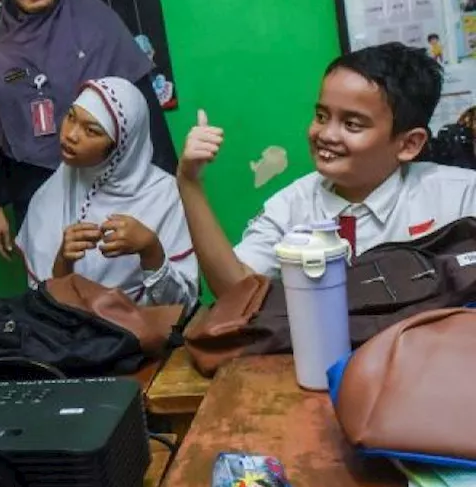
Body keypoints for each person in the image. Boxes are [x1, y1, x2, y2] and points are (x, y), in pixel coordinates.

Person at [179, 42, 476, 298]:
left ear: (409, 144)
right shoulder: (291, 208)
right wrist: (190, 183)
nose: (326, 134)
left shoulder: (461, 197)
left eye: (352, 124)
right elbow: (236, 292)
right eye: (321, 116)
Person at [0, 0, 177, 262]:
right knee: (54, 288)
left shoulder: (101, 27)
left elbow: (144, 113)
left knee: (114, 279)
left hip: (111, 183)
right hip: (35, 189)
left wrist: (168, 184)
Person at [16, 77, 197, 308]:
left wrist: (151, 250)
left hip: (140, 338)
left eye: (91, 131)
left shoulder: (163, 195)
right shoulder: (55, 190)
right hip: (69, 337)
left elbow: (183, 305)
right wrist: (63, 261)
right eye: (71, 117)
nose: (70, 134)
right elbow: (42, 305)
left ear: (121, 147)